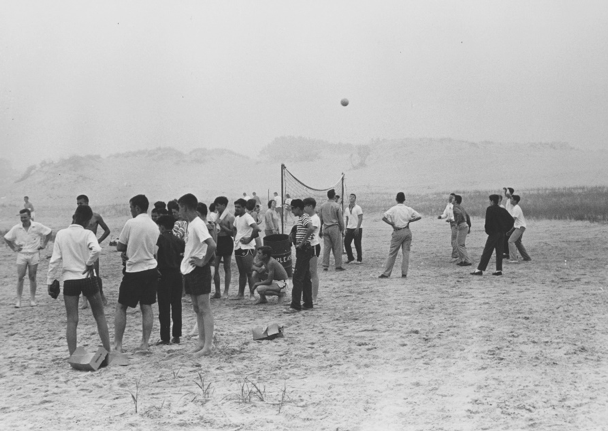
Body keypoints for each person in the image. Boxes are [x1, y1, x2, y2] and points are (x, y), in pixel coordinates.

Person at [46, 205, 111, 357]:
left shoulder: (61, 234)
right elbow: (97, 250)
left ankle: (73, 355)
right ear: (89, 221)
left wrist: (50, 281)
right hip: (88, 278)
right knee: (99, 315)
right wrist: (89, 263)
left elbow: (54, 261)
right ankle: (108, 351)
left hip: (70, 280)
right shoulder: (88, 233)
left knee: (72, 320)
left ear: (73, 216)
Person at [113, 195, 160, 353]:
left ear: (137, 208)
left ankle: (118, 344)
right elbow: (154, 250)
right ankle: (144, 343)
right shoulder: (154, 226)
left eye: (131, 207)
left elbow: (120, 246)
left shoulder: (131, 223)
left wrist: (127, 251)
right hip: (151, 269)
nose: (131, 210)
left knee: (121, 307)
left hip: (134, 270)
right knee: (146, 306)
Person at [178, 194, 217, 357]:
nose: (179, 211)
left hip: (199, 270)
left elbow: (212, 244)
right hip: (190, 270)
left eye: (180, 207)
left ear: (185, 207)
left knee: (204, 308)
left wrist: (203, 261)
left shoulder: (198, 224)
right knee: (196, 308)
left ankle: (208, 345)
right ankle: (201, 341)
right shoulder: (190, 224)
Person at [4, 209, 52, 307]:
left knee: (32, 276)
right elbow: (7, 238)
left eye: (25, 217)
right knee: (20, 276)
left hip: (34, 253)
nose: (23, 219)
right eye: (21, 217)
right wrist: (14, 247)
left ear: (30, 216)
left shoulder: (37, 226)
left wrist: (43, 244)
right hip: (22, 254)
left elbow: (49, 232)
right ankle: (18, 300)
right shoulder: (17, 228)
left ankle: (33, 299)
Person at [76, 194, 111, 308]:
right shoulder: (76, 217)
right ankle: (84, 300)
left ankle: (101, 294)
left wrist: (98, 241)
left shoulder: (95, 216)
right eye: (77, 204)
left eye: (81, 203)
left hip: (92, 248)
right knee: (82, 273)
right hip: (81, 248)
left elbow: (107, 230)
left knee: (95, 274)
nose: (79, 206)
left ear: (87, 203)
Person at [155, 215, 185, 345]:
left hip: (164, 275)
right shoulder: (179, 241)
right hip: (177, 274)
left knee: (164, 307)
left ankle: (165, 337)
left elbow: (155, 255)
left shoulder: (160, 239)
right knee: (176, 305)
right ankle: (177, 335)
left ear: (161, 227)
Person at [379, 192, 422, 279]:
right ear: (404, 200)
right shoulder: (408, 209)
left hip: (397, 231)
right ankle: (404, 273)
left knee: (392, 253)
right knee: (406, 253)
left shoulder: (394, 209)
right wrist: (409, 221)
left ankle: (387, 273)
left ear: (396, 199)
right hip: (407, 230)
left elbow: (384, 217)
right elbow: (419, 216)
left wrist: (392, 224)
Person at [471, 195, 514, 276]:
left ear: (492, 201)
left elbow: (488, 222)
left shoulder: (490, 209)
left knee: (487, 251)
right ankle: (498, 270)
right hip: (501, 233)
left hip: (494, 233)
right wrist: (505, 229)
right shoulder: (502, 210)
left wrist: (489, 231)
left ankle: (479, 269)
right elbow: (511, 221)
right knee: (499, 252)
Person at [285, 199, 315, 313]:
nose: (292, 211)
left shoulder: (304, 217)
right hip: (305, 249)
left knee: (297, 278)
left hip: (304, 249)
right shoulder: (302, 218)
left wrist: (302, 242)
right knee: (306, 277)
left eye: (293, 208)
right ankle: (308, 303)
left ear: (298, 208)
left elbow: (311, 228)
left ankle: (295, 305)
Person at [232, 198, 260, 298]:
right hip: (238, 246)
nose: (236, 209)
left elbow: (256, 228)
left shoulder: (248, 217)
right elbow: (235, 229)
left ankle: (252, 294)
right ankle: (240, 294)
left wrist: (249, 239)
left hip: (247, 247)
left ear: (244, 207)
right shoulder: (237, 218)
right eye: (235, 207)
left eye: (239, 207)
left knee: (249, 271)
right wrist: (235, 238)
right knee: (241, 272)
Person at [212, 196, 235, 299]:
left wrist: (222, 225)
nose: (217, 207)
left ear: (224, 205)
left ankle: (226, 291)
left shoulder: (230, 217)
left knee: (227, 267)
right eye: (215, 205)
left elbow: (233, 233)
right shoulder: (215, 216)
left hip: (226, 240)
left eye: (218, 205)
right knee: (215, 267)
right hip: (217, 240)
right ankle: (217, 291)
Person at [318, 189, 345, 271]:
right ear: (334, 196)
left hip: (325, 227)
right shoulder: (336, 206)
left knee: (326, 248)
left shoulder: (322, 206)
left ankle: (325, 265)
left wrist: (320, 230)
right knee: (337, 247)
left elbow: (320, 219)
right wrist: (342, 229)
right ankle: (338, 265)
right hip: (334, 227)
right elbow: (340, 219)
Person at [303, 198, 321, 302]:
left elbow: (310, 231)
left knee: (313, 272)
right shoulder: (308, 217)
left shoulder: (314, 218)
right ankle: (308, 295)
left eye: (305, 206)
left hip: (313, 245)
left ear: (310, 206)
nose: (304, 209)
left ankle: (314, 297)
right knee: (307, 272)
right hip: (308, 246)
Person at [507, 195, 532, 263]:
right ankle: (526, 257)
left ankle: (514, 258)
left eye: (511, 199)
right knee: (517, 242)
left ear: (515, 200)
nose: (510, 200)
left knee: (510, 241)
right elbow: (514, 222)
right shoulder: (515, 208)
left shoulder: (516, 208)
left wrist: (508, 229)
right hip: (520, 226)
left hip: (520, 227)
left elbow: (512, 220)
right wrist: (510, 231)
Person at [452, 195, 472, 266]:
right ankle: (461, 260)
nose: (452, 200)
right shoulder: (461, 207)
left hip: (462, 225)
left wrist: (457, 222)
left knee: (460, 244)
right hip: (465, 225)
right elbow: (468, 216)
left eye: (453, 199)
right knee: (459, 244)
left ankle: (467, 260)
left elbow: (459, 214)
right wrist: (469, 226)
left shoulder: (455, 207)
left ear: (456, 201)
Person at [344, 193, 363, 264]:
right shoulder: (347, 209)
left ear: (355, 199)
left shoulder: (358, 208)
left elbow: (360, 218)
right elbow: (346, 218)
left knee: (357, 243)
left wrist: (358, 227)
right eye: (350, 197)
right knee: (346, 243)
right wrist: (346, 228)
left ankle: (359, 259)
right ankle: (350, 257)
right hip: (349, 228)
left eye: (353, 197)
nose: (351, 198)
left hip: (357, 227)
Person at [437, 193, 457, 260]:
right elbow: (445, 214)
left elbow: (456, 215)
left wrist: (450, 219)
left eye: (452, 197)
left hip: (455, 223)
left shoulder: (455, 206)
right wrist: (441, 216)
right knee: (453, 240)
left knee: (454, 240)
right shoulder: (448, 205)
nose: (450, 198)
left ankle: (455, 255)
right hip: (451, 223)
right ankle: (456, 254)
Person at [502, 187, 515, 258]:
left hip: (510, 220)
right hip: (507, 219)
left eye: (506, 192)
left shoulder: (511, 199)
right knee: (506, 236)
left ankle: (508, 252)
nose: (505, 193)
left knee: (508, 236)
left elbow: (509, 195)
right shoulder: (508, 200)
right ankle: (506, 252)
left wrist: (506, 189)